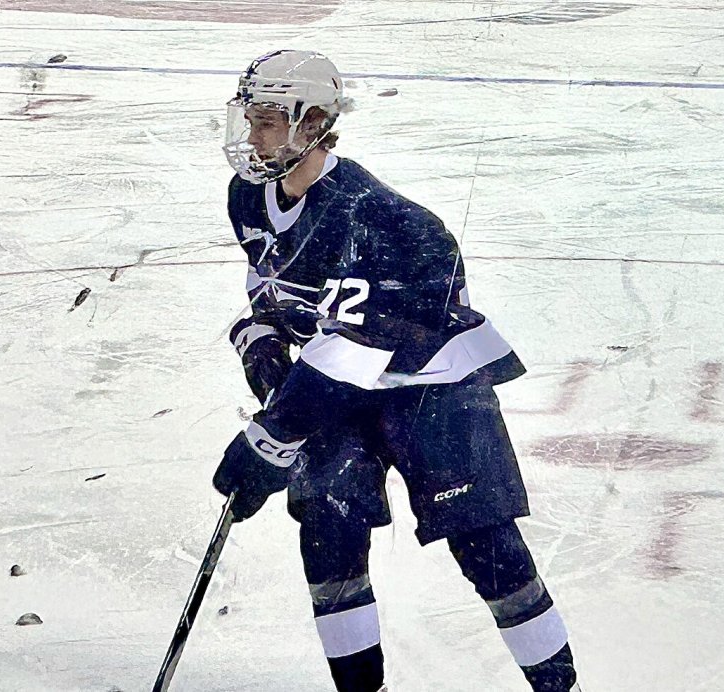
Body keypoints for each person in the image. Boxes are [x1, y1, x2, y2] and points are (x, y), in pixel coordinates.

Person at [213, 49, 581, 692]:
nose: (253, 135)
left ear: (314, 123)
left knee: (487, 548)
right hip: (336, 387)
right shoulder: (249, 195)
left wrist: (271, 438)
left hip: (433, 386)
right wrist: (262, 346)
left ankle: (559, 687)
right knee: (327, 530)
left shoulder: (386, 221)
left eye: (269, 121)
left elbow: (353, 351)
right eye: (251, 118)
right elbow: (275, 294)